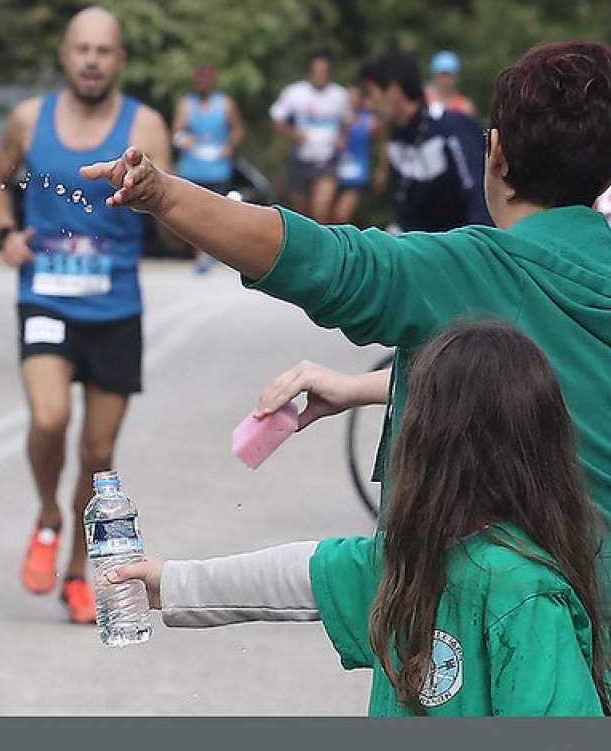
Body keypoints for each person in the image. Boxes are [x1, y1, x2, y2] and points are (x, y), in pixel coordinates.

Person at [81, 39, 611, 566]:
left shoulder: (475, 270)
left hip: (529, 609)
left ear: (496, 154)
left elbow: (321, 260)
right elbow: (551, 373)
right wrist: (358, 388)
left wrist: (164, 195)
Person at [107, 321, 610, 716]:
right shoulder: (412, 560)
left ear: (425, 447)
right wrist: (169, 584)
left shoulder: (518, 592)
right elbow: (302, 574)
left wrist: (172, 583)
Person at [0, 6, 170, 625]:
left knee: (97, 451)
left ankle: (78, 570)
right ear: (65, 56)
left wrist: (152, 194)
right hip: (46, 297)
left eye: (104, 50)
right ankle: (48, 514)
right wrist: (6, 232)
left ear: (120, 60)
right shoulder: (27, 118)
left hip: (116, 307)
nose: (92, 60)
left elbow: (172, 210)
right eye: (82, 49)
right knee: (50, 416)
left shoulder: (146, 124)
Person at [358, 48, 491, 232]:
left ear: (394, 91)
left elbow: (478, 200)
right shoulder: (398, 139)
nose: (368, 105)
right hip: (421, 243)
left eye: (371, 95)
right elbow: (406, 216)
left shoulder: (450, 128)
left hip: (464, 243)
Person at [170, 64, 245, 272]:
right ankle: (201, 255)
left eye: (207, 78)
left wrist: (230, 145)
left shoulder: (225, 104)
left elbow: (238, 129)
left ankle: (217, 251)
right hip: (192, 168)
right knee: (193, 214)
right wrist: (183, 139)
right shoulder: (186, 105)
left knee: (217, 212)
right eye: (200, 79)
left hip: (218, 167)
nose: (203, 82)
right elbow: (176, 133)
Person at [268, 50, 351, 224]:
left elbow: (347, 121)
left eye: (324, 72)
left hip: (327, 160)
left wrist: (342, 138)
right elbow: (276, 120)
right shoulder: (294, 92)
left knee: (321, 209)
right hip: (301, 159)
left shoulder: (339, 95)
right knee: (304, 214)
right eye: (317, 72)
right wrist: (293, 133)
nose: (320, 76)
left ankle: (327, 239)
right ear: (309, 72)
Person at [330, 84, 380, 226]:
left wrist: (381, 170)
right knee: (324, 216)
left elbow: (385, 143)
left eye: (354, 97)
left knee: (341, 216)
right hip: (332, 173)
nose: (351, 100)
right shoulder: (334, 120)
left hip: (356, 176)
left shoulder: (370, 121)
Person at [425, 49, 476, 118]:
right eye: (442, 74)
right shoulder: (422, 101)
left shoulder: (465, 107)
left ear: (456, 76)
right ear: (434, 75)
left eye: (449, 75)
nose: (445, 79)